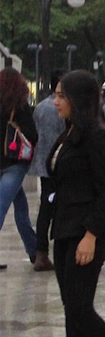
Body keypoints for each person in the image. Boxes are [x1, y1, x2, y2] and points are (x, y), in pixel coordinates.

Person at [48, 70, 105, 336]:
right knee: (71, 309)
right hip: (63, 230)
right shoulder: (67, 134)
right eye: (55, 95)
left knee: (80, 308)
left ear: (77, 99)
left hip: (85, 232)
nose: (55, 101)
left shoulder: (97, 137)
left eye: (61, 96)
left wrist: (91, 235)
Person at [0, 68, 38, 270]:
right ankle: (35, 253)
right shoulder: (19, 107)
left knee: (21, 207)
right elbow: (33, 134)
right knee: (1, 207)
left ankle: (34, 252)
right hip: (13, 163)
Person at [29, 69, 65, 272]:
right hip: (59, 163)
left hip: (42, 163)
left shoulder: (40, 107)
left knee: (45, 208)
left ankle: (41, 252)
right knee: (60, 207)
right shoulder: (62, 107)